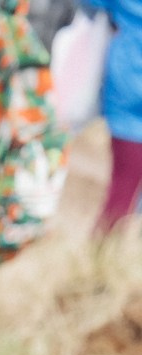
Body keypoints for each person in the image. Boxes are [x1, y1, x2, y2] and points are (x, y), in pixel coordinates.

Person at [100, 0, 142, 227]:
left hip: (128, 84)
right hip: (132, 93)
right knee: (124, 186)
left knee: (123, 186)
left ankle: (103, 253)